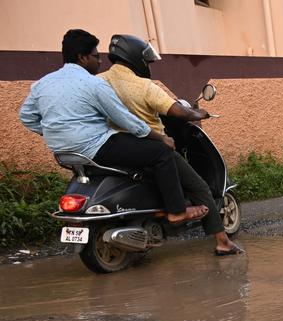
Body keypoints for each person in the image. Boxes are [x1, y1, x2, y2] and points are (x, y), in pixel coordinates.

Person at [19, 29, 206, 228]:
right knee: (161, 153)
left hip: (63, 152)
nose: (99, 62)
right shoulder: (93, 84)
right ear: (82, 58)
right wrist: (161, 139)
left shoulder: (42, 84)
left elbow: (26, 117)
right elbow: (126, 119)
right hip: (96, 147)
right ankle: (176, 211)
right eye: (95, 56)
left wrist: (52, 131)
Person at [99, 34, 242, 255]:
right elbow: (178, 111)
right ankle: (222, 242)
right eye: (146, 61)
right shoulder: (144, 86)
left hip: (116, 149)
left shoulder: (98, 82)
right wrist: (197, 113)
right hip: (150, 147)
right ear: (136, 59)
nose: (147, 66)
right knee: (200, 187)